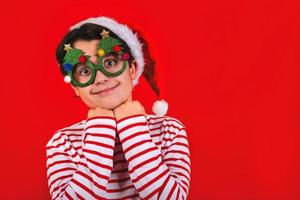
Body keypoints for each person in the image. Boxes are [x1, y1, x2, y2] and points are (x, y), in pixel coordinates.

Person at [46, 16, 191, 200]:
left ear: (132, 68)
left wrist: (132, 128)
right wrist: (100, 129)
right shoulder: (63, 143)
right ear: (75, 87)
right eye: (84, 71)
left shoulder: (168, 130)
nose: (100, 78)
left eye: (110, 62)